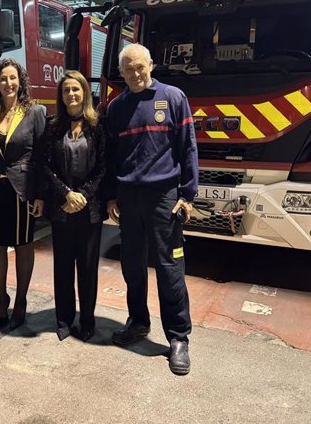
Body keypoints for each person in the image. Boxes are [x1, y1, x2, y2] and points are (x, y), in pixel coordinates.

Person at [105, 43, 198, 375]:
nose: (135, 73)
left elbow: (188, 148)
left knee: (170, 269)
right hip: (129, 199)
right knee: (132, 266)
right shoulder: (116, 108)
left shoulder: (173, 98)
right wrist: (112, 196)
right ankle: (138, 322)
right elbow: (112, 157)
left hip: (164, 199)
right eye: (128, 69)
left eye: (140, 66)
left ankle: (178, 338)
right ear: (122, 73)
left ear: (152, 65)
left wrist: (187, 194)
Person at [0, 58, 46, 331]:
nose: (8, 83)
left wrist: (39, 195)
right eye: (3, 79)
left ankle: (22, 300)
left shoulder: (35, 112)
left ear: (21, 81)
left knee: (23, 246)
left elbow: (40, 156)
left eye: (13, 78)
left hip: (22, 190)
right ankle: (1, 300)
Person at [43, 71, 106, 342]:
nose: (71, 94)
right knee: (63, 266)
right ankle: (63, 319)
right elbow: (45, 165)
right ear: (61, 95)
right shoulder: (53, 126)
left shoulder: (98, 126)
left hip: (89, 209)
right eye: (66, 90)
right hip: (62, 207)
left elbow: (104, 166)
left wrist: (82, 196)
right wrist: (66, 195)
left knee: (88, 268)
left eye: (76, 90)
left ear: (84, 93)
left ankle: (88, 321)